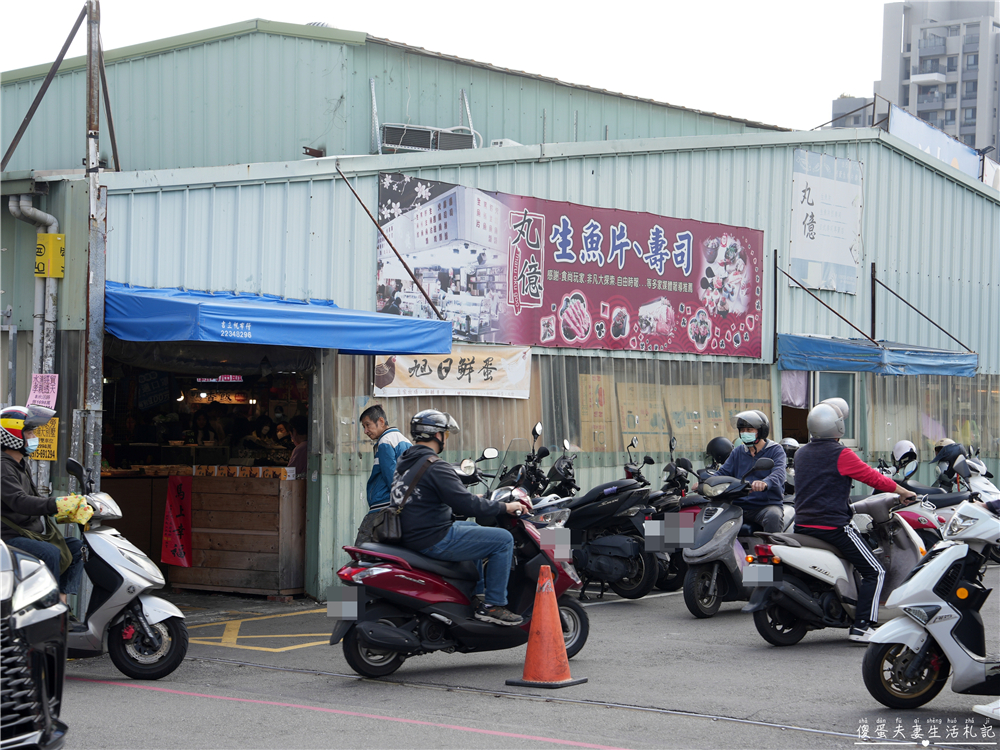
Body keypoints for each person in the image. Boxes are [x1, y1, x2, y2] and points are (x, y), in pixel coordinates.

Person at [792, 398, 916, 643]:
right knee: (875, 570)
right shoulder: (841, 454)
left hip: (802, 525)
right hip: (833, 526)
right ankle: (863, 626)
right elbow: (873, 478)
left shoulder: (801, 453)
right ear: (838, 427)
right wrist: (903, 492)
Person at [395, 409, 531, 626]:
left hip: (414, 533)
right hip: (432, 537)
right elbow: (466, 504)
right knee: (503, 540)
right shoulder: (435, 465)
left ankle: (475, 599)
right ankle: (493, 605)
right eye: (445, 435)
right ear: (437, 435)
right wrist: (505, 507)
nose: (446, 440)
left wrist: (468, 499)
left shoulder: (407, 462)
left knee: (474, 535)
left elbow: (427, 499)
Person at [1, 405, 91, 630]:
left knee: (76, 548)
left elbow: (34, 500)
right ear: (13, 435)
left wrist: (67, 509)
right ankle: (46, 615)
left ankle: (61, 606)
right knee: (50, 553)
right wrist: (56, 504)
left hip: (30, 532)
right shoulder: (3, 466)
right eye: (29, 433)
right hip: (9, 537)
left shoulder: (20, 464)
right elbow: (20, 502)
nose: (34, 437)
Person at [716, 410, 787, 533]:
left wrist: (765, 483)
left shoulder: (775, 450)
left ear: (761, 431)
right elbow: (722, 472)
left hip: (765, 506)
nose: (744, 433)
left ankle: (772, 550)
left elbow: (779, 473)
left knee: (773, 516)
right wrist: (704, 481)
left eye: (749, 430)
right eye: (742, 430)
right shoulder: (737, 452)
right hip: (738, 506)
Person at [355, 405, 411, 545]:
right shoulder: (405, 441)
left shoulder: (385, 441)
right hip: (399, 507)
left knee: (363, 549)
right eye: (364, 427)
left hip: (382, 508)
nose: (365, 431)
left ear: (380, 421)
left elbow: (391, 476)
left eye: (367, 425)